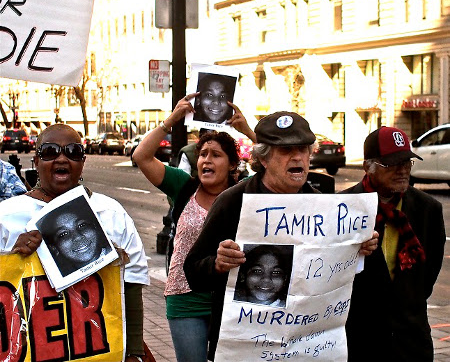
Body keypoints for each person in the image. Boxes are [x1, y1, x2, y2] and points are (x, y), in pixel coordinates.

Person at [183, 111, 379, 360]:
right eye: (286, 150)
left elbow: (346, 282)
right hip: (246, 348)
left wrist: (358, 249)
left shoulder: (328, 211)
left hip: (307, 348)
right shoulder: (232, 202)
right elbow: (192, 272)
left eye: (303, 149)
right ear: (264, 158)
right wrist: (218, 264)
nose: (297, 156)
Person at [0, 124, 150, 362]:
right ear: (36, 162)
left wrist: (133, 352)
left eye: (72, 151)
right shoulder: (6, 216)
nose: (62, 158)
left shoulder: (111, 213)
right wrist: (9, 256)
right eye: (50, 151)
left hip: (99, 349)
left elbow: (132, 286)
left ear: (83, 161)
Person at [133, 94, 255, 362]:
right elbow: (141, 156)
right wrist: (171, 121)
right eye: (202, 154)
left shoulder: (245, 192)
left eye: (216, 155)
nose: (206, 160)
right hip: (184, 297)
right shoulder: (183, 186)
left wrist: (247, 130)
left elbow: (274, 164)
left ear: (233, 164)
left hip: (231, 298)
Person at [341, 126, 446, 362]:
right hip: (359, 341)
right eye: (392, 164)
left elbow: (427, 277)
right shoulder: (343, 207)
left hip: (411, 342)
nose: (402, 171)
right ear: (368, 166)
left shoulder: (428, 210)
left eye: (407, 162)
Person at [37, 196, 113, 277]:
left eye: (82, 225)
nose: (78, 237)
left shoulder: (118, 259)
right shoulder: (58, 278)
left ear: (95, 227)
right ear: (54, 248)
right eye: (63, 234)